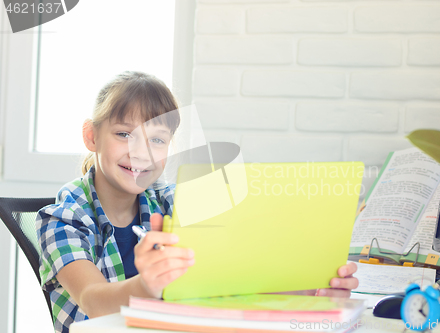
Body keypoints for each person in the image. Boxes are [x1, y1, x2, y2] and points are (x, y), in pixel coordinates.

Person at [36, 71, 359, 333]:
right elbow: (94, 301)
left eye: (157, 140)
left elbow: (228, 283)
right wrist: (148, 284)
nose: (140, 152)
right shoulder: (62, 218)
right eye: (124, 134)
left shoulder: (175, 203)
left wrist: (307, 289)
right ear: (92, 136)